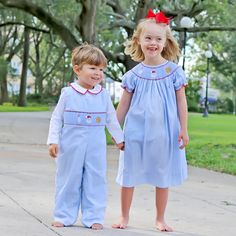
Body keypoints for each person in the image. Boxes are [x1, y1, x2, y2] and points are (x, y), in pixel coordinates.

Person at [112, 9, 189, 232]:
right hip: (136, 130)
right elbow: (123, 105)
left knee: (161, 174)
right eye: (148, 38)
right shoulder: (133, 75)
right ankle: (124, 216)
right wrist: (115, 131)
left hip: (164, 131)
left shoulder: (174, 72)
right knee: (128, 172)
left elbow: (181, 104)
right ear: (139, 40)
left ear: (166, 42)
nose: (153, 43)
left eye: (158, 38)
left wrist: (183, 129)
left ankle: (160, 218)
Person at [47, 43, 124, 230]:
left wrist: (119, 138)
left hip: (95, 144)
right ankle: (63, 215)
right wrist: (53, 140)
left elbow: (111, 119)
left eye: (101, 69)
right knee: (68, 178)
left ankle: (94, 217)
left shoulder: (103, 95)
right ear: (77, 69)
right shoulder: (68, 93)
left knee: (95, 178)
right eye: (92, 68)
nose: (98, 73)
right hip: (70, 144)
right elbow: (56, 118)